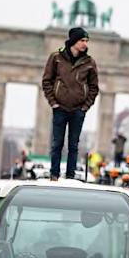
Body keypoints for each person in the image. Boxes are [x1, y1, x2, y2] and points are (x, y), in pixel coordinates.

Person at [41, 27, 99, 181]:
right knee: (57, 143)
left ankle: (70, 176)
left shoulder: (89, 62)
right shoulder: (56, 57)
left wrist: (85, 107)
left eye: (87, 41)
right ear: (73, 41)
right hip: (59, 108)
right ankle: (54, 175)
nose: (85, 44)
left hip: (78, 110)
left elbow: (94, 87)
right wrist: (53, 103)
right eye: (82, 40)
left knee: (73, 145)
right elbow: (47, 81)